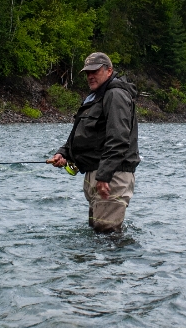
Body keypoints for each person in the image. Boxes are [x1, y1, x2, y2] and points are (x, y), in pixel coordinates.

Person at [49, 52, 140, 233]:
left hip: (112, 177)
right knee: (97, 236)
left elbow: (119, 139)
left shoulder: (115, 95)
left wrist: (104, 176)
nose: (90, 76)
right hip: (98, 176)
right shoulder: (95, 97)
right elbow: (83, 134)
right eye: (87, 73)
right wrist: (64, 153)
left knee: (107, 238)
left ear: (109, 71)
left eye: (95, 71)